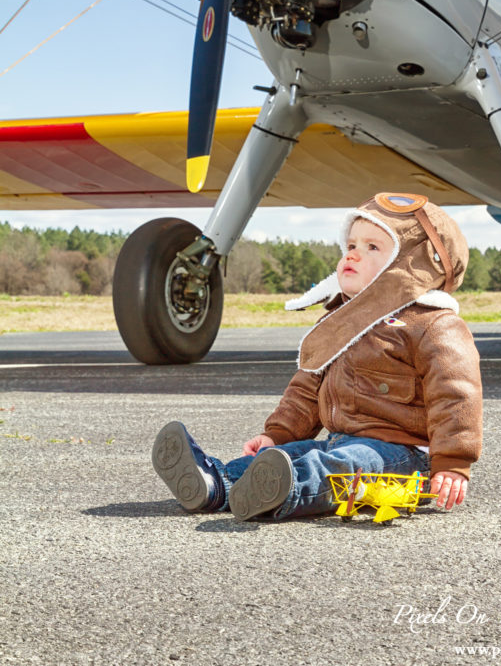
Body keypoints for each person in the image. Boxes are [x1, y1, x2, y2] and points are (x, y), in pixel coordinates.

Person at [152, 192, 483, 522]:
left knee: (342, 467)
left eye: (372, 247)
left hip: (404, 455)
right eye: (351, 246)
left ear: (413, 266)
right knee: (288, 454)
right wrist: (277, 435)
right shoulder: (338, 321)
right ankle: (217, 483)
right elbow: (306, 390)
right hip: (338, 440)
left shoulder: (433, 324)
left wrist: (452, 462)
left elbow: (455, 395)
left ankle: (282, 490)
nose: (352, 255)